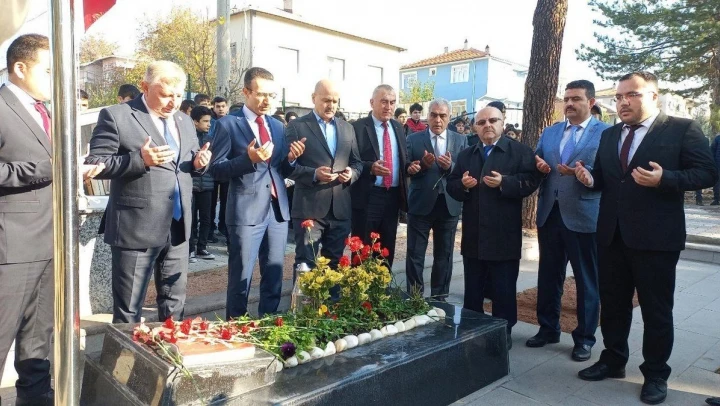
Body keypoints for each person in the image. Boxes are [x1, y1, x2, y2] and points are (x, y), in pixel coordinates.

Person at [574, 71, 718, 405]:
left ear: (654, 96)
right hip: (612, 235)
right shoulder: (610, 134)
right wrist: (589, 179)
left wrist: (666, 178)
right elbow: (608, 179)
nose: (623, 102)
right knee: (613, 305)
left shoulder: (682, 129)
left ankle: (655, 373)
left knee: (656, 310)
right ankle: (613, 359)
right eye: (619, 97)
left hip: (656, 239)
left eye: (632, 95)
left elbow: (708, 173)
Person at [0, 34, 103, 405]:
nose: (55, 79)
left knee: (38, 338)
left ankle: (35, 398)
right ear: (20, 67)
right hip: (13, 246)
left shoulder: (47, 112)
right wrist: (47, 168)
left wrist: (76, 170)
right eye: (48, 70)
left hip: (52, 240)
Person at [85, 60, 213, 324]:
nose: (173, 103)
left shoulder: (184, 121)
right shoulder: (117, 115)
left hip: (178, 226)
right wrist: (139, 160)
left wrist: (199, 164)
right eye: (165, 95)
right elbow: (95, 163)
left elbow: (184, 165)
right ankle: (126, 352)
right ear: (144, 86)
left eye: (178, 96)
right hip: (136, 228)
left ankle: (170, 348)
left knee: (174, 305)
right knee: (129, 311)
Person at [209, 67, 305, 318]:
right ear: (246, 92)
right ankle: (236, 327)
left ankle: (269, 324)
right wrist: (248, 159)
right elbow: (216, 169)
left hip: (277, 211)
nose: (267, 101)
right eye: (261, 94)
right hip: (246, 211)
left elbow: (281, 168)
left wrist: (292, 158)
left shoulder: (277, 126)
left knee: (274, 275)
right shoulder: (228, 124)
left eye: (271, 95)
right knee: (241, 277)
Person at [447, 105, 542, 349]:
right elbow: (452, 185)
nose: (487, 125)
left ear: (502, 122)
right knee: (473, 287)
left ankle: (503, 331)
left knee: (503, 287)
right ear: (474, 127)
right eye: (481, 122)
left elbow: (532, 180)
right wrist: (464, 185)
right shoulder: (467, 154)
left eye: (493, 120)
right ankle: (472, 329)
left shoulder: (519, 151)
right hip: (475, 234)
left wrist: (505, 182)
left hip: (504, 233)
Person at [530, 80, 610, 362]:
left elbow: (609, 173)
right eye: (566, 99)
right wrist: (539, 165)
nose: (569, 104)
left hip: (583, 215)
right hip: (550, 214)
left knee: (586, 279)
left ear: (591, 102)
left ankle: (585, 338)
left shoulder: (606, 133)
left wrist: (587, 175)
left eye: (576, 98)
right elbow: (537, 160)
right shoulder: (551, 132)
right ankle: (548, 328)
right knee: (549, 275)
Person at [286, 79, 362, 273]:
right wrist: (313, 174)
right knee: (306, 265)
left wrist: (351, 174)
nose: (331, 105)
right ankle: (302, 296)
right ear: (314, 98)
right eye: (326, 100)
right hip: (309, 209)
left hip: (340, 210)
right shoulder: (297, 126)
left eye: (335, 101)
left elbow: (357, 163)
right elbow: (286, 167)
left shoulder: (347, 128)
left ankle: (333, 296)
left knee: (334, 266)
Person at [405, 98, 467, 300]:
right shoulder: (413, 139)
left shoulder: (460, 140)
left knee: (444, 255)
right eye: (433, 115)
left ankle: (440, 299)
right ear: (427, 116)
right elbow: (406, 167)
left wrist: (450, 167)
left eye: (442, 116)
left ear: (449, 117)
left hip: (449, 204)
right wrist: (420, 166)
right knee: (415, 254)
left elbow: (465, 170)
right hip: (420, 203)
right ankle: (415, 298)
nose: (438, 120)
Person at [350, 85, 409, 266]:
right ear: (372, 102)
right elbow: (350, 160)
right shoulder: (358, 127)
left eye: (392, 102)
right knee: (362, 247)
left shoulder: (398, 127)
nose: (388, 107)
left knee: (386, 246)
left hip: (393, 196)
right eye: (384, 102)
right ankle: (360, 283)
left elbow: (402, 158)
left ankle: (383, 282)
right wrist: (370, 168)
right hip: (368, 195)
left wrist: (412, 167)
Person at [189, 105, 216, 263]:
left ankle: (202, 247)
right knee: (191, 219)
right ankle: (190, 249)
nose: (209, 124)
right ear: (195, 122)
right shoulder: (188, 138)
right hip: (191, 185)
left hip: (207, 184)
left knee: (206, 217)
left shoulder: (210, 139)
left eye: (209, 121)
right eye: (205, 121)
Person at [712, 133, 720, 205]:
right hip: (717, 163)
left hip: (717, 163)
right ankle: (717, 199)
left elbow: (712, 151)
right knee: (717, 182)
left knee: (717, 181)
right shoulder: (717, 139)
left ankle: (717, 199)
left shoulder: (717, 138)